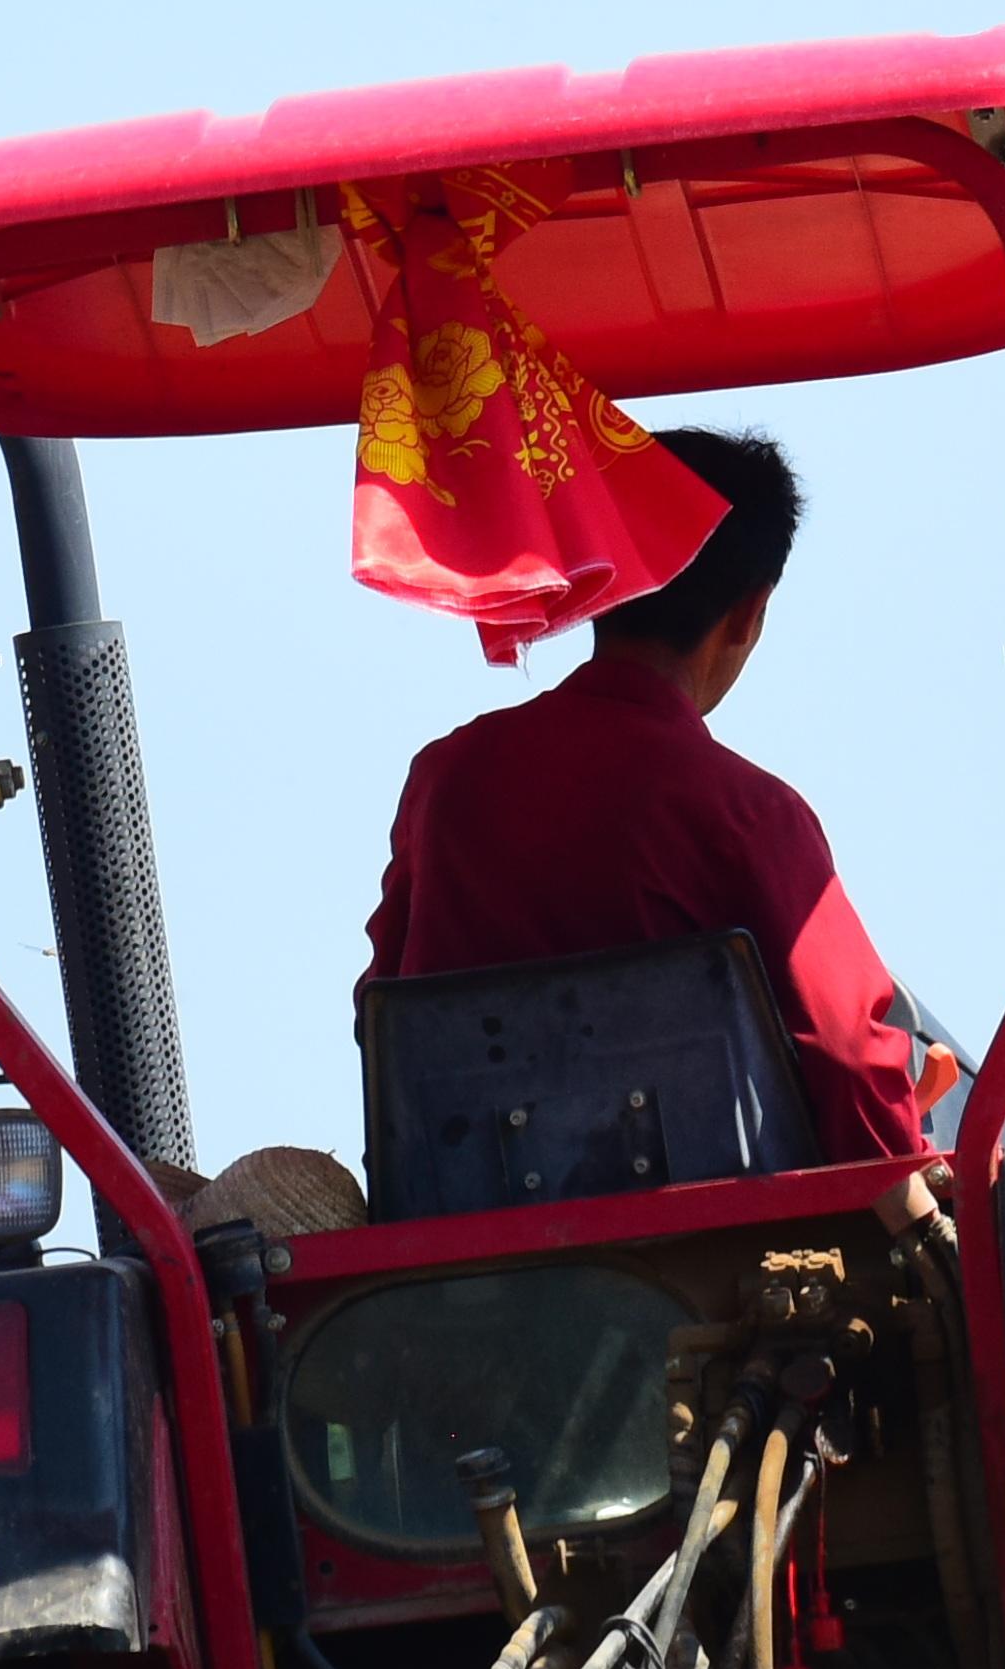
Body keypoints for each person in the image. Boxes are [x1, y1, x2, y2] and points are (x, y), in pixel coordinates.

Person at [361, 427, 962, 1162]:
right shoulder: (751, 814)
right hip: (702, 1258)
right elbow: (846, 1048)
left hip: (454, 1233)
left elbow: (384, 1019)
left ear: (600, 581)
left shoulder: (444, 778)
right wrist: (901, 1167)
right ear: (749, 613)